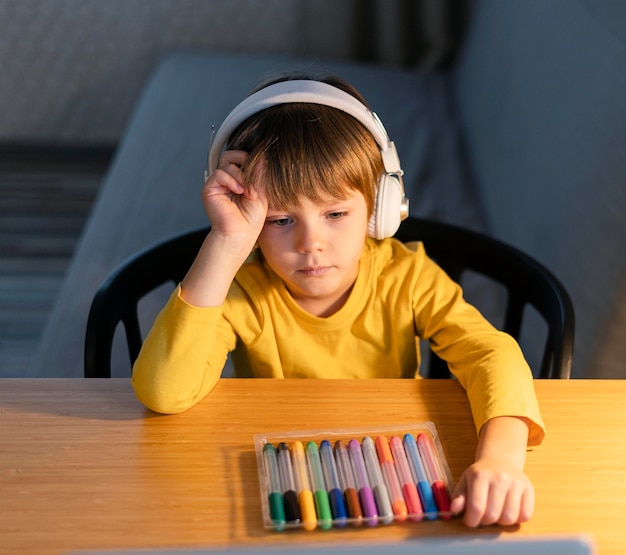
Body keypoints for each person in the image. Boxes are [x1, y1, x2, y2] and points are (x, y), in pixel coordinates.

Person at [132, 71, 545, 528]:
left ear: (381, 207)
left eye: (335, 213)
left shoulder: (406, 277)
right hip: (288, 477)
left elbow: (492, 354)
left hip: (390, 474)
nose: (311, 244)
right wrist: (227, 243)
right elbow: (163, 391)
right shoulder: (244, 292)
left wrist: (502, 461)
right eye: (280, 219)